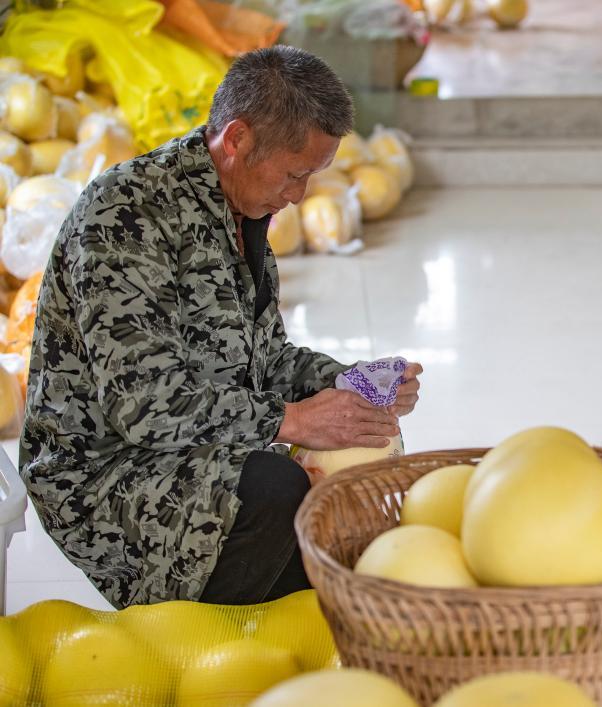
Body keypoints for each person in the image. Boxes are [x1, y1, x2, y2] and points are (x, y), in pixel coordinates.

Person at [19, 46, 422, 609]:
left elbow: (267, 359)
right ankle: (199, 636)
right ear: (236, 140)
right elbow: (145, 404)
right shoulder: (126, 215)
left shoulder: (242, 211)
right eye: (295, 174)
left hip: (189, 442)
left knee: (358, 469)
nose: (300, 195)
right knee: (274, 491)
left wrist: (353, 382)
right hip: (105, 471)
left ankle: (276, 616)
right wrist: (296, 419)